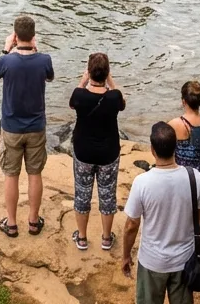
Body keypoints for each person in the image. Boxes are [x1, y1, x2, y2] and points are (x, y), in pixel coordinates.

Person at [122, 122, 200, 304]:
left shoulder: (142, 182)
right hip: (184, 260)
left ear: (152, 150)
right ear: (176, 147)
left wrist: (125, 255)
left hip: (152, 261)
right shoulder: (194, 177)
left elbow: (132, 225)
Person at [0, 14, 55, 238]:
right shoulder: (44, 60)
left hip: (11, 128)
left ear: (15, 36)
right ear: (34, 37)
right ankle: (34, 222)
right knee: (35, 174)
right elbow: (50, 78)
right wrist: (35, 50)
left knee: (11, 174)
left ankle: (12, 223)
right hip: (36, 126)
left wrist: (6, 49)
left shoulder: (5, 61)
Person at [70, 52, 126, 252]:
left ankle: (82, 238)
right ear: (107, 73)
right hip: (108, 154)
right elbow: (123, 103)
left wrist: (83, 80)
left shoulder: (80, 95)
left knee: (82, 193)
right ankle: (106, 238)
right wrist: (110, 79)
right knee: (108, 195)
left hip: (83, 152)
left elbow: (72, 102)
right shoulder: (114, 97)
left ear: (89, 72)